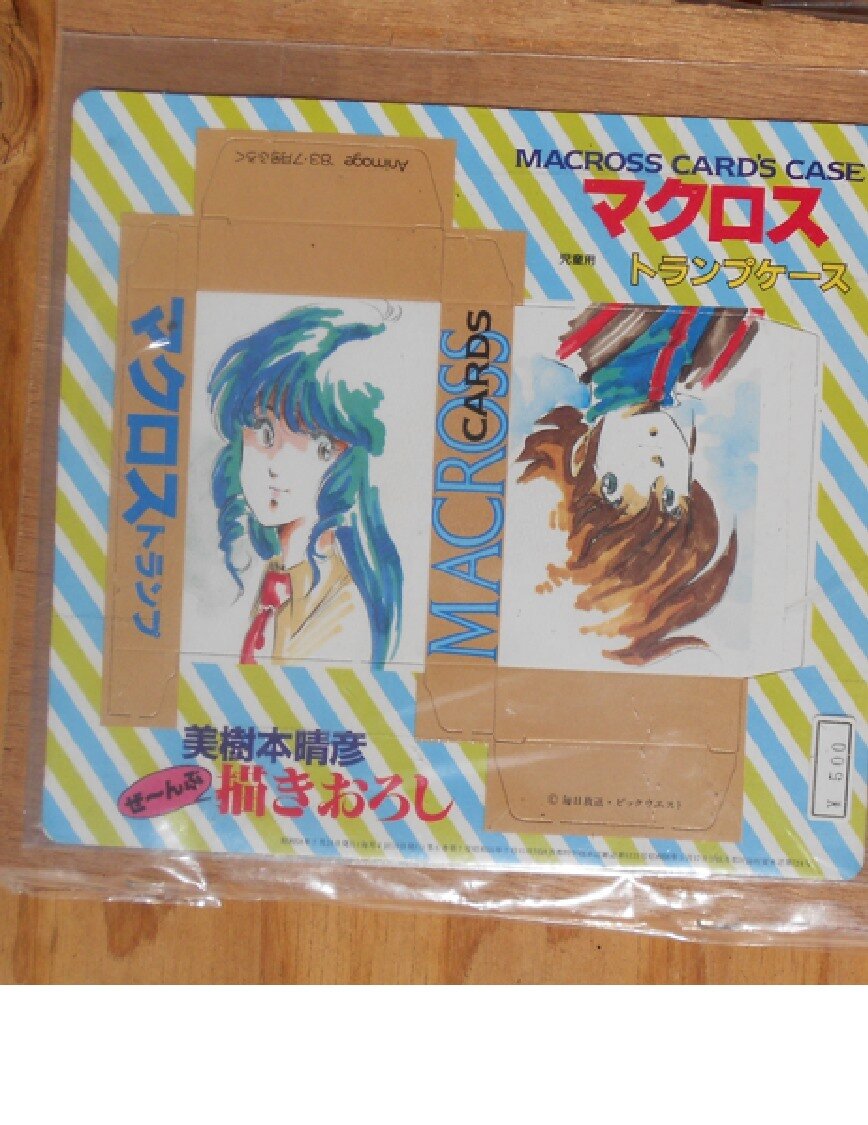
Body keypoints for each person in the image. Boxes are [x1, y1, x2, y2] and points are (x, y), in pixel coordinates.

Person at [517, 304, 760, 665]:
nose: (657, 469)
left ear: (583, 459)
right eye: (672, 499)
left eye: (615, 492)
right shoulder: (717, 354)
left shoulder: (582, 339)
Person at [208, 304, 402, 665]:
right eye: (265, 433)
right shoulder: (266, 578)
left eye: (322, 448)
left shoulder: (339, 612)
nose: (277, 467)